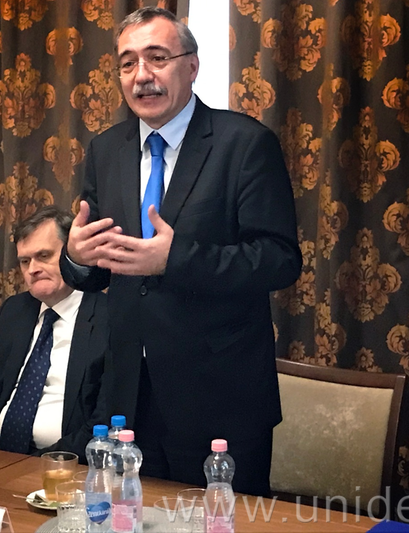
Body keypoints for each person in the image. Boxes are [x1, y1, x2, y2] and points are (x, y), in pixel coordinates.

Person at [59, 7, 301, 495]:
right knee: (129, 520)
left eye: (157, 57)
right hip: (128, 397)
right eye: (128, 63)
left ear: (191, 66)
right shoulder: (105, 150)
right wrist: (76, 258)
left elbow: (279, 259)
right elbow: (100, 271)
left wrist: (176, 259)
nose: (141, 75)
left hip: (219, 399)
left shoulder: (244, 144)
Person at [0, 207, 110, 459]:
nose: (32, 269)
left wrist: (37, 465)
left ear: (73, 254)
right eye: (24, 261)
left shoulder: (108, 317)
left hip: (67, 465)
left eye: (44, 256)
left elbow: (103, 422)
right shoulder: (14, 311)